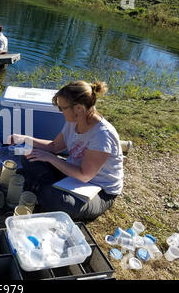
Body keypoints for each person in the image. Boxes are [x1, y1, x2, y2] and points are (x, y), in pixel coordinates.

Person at [8, 80, 124, 221]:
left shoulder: (102, 135)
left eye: (62, 108)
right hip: (72, 175)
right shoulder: (73, 122)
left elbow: (84, 176)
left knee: (62, 201)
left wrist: (51, 158)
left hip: (98, 190)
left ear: (79, 109)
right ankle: (42, 188)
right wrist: (24, 138)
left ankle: (41, 188)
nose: (61, 112)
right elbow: (54, 146)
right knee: (28, 156)